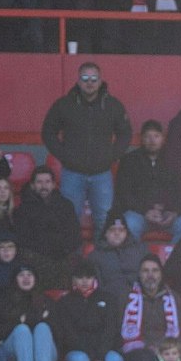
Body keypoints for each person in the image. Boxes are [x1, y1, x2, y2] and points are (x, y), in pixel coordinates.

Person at [39, 62, 130, 237]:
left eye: (94, 78)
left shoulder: (112, 105)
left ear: (100, 80)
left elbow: (125, 133)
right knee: (69, 219)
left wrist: (111, 156)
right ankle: (72, 262)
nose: (90, 82)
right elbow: (48, 131)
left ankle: (101, 262)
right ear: (78, 81)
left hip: (102, 174)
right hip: (72, 173)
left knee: (104, 220)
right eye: (85, 78)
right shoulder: (64, 104)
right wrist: (64, 155)